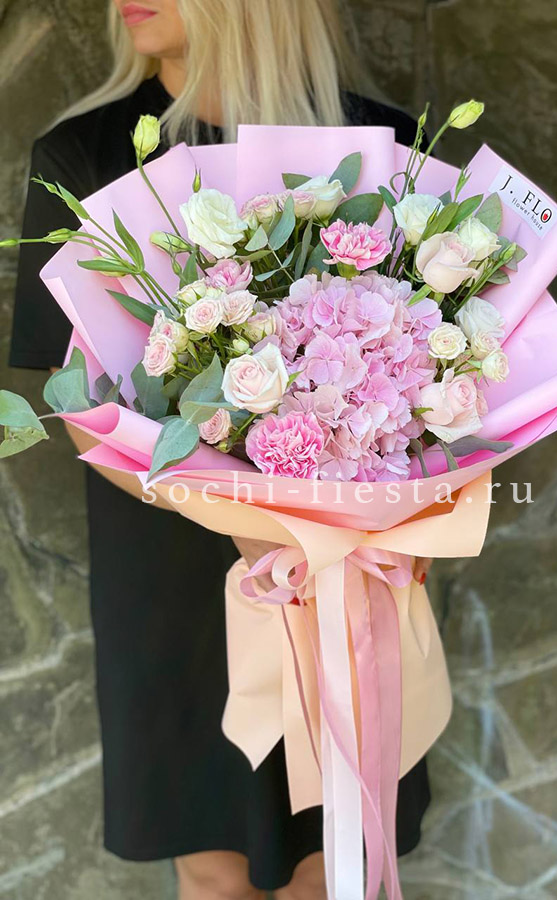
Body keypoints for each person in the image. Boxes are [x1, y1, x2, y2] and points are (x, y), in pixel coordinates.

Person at [9, 2, 433, 897]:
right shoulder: (85, 154)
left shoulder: (387, 146)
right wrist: (245, 519)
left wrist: (409, 512)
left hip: (339, 569)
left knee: (333, 858)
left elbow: (442, 369)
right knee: (208, 864)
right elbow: (77, 400)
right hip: (164, 563)